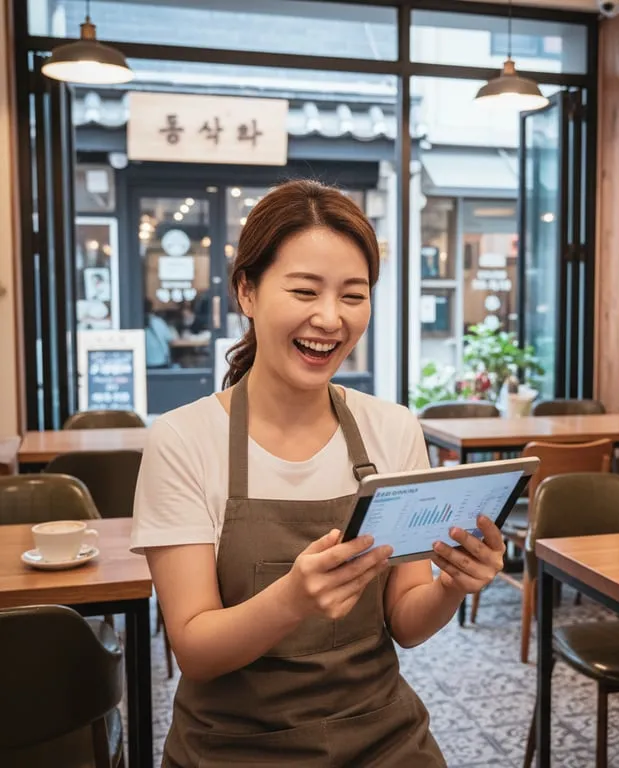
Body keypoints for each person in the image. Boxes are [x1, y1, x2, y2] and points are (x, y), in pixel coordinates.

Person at [131, 180, 505, 767]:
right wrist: (293, 598)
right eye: (304, 290)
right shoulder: (183, 439)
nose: (330, 318)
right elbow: (194, 650)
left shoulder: (393, 428)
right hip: (234, 747)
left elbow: (406, 622)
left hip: (382, 736)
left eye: (353, 295)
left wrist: (453, 584)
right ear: (247, 291)